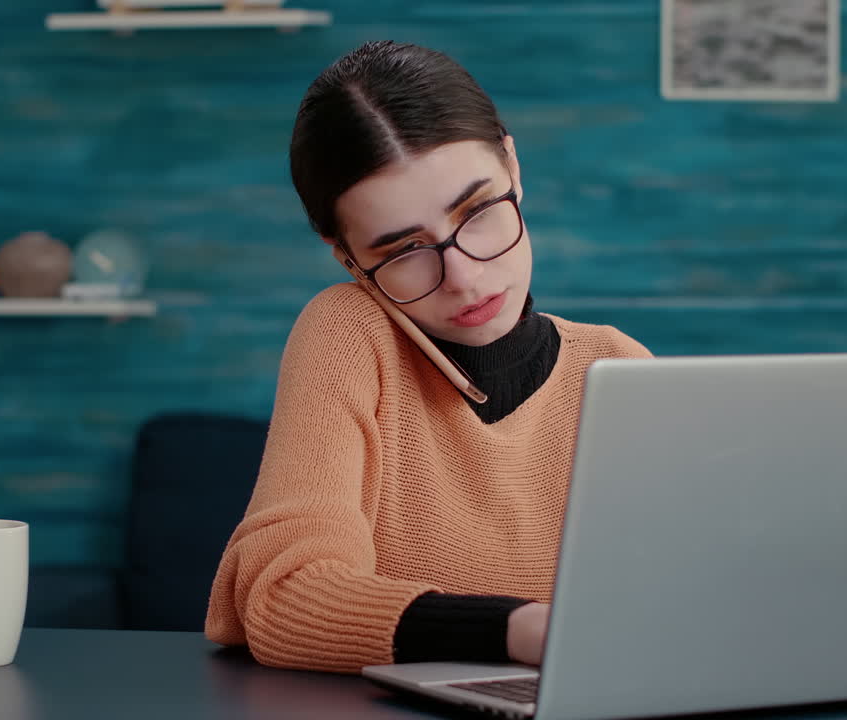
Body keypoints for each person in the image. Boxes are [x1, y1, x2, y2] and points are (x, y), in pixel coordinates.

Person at [205, 40, 652, 674]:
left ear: (513, 167)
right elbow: (283, 597)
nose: (464, 280)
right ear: (350, 259)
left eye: (478, 212)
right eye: (403, 250)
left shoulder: (618, 367)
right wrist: (518, 630)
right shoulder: (350, 334)